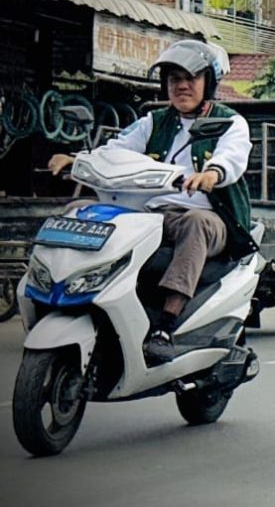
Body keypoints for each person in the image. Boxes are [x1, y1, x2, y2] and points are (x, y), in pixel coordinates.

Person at [48, 40, 254, 363]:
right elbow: (117, 148)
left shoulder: (230, 122)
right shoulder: (153, 122)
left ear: (208, 83)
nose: (182, 86)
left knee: (195, 223)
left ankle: (165, 324)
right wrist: (77, 160)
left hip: (208, 216)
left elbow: (233, 156)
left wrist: (212, 174)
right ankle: (64, 296)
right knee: (78, 211)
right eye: (174, 79)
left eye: (191, 78)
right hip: (150, 215)